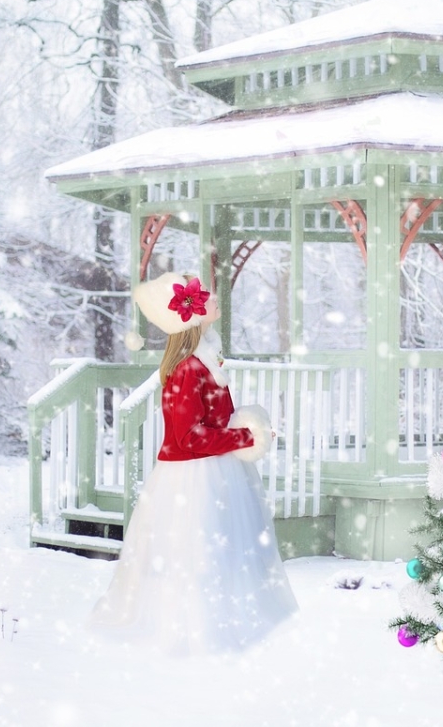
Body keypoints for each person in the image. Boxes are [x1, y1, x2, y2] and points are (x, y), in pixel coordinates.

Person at [88, 272, 298, 654]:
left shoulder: (204, 362)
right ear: (191, 315)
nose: (212, 298)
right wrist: (246, 438)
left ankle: (221, 624)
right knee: (197, 553)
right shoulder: (188, 370)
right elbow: (188, 439)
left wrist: (244, 431)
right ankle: (190, 633)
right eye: (202, 296)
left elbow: (211, 422)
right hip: (193, 479)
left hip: (216, 470)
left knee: (219, 551)